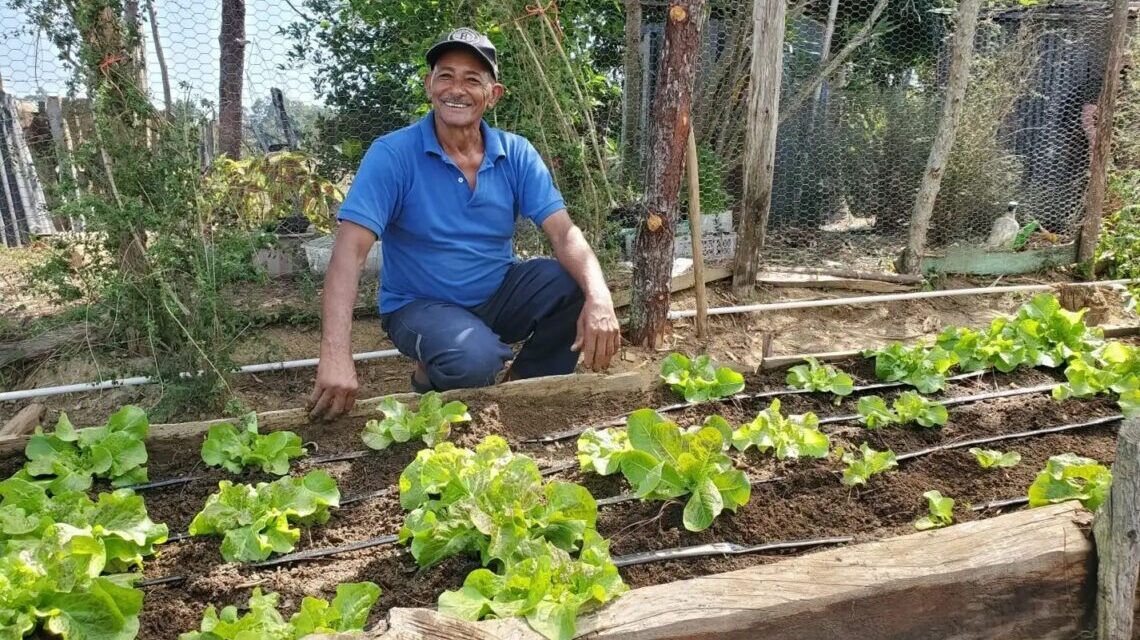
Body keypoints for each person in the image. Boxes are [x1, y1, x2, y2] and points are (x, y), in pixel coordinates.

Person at [308, 27, 620, 421]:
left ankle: (521, 397)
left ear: (493, 95)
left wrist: (601, 297)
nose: (457, 89)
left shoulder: (516, 153)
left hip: (495, 295)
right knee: (475, 360)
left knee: (573, 284)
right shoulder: (393, 155)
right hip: (417, 306)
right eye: (446, 76)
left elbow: (563, 233)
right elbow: (349, 253)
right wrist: (335, 355)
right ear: (429, 86)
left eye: (473, 79)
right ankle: (430, 378)